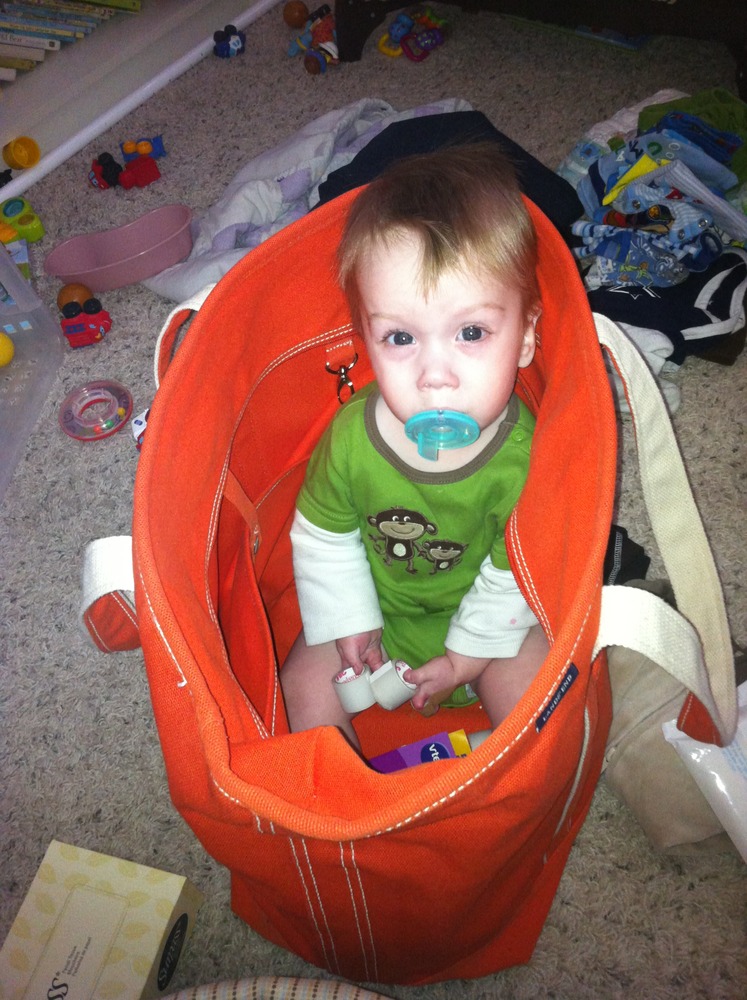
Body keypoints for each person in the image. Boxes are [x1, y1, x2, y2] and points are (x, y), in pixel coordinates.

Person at [281, 143, 549, 746]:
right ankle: (339, 797)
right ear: (365, 338)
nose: (435, 375)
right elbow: (323, 536)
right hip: (379, 607)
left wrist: (465, 659)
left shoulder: (526, 456)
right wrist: (349, 622)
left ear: (526, 336)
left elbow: (518, 570)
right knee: (301, 683)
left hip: (493, 619)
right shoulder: (353, 438)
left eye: (471, 332)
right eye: (400, 337)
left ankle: (504, 782)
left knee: (538, 703)